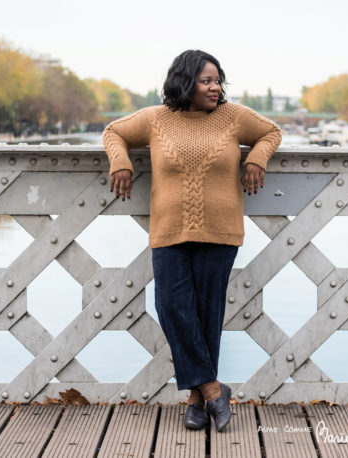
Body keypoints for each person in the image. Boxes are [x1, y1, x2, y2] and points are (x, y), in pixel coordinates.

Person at [102, 49, 282, 432]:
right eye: (206, 81)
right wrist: (120, 161)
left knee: (206, 315)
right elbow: (113, 131)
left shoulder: (234, 117)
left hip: (220, 231)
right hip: (169, 230)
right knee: (170, 306)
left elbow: (271, 132)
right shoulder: (155, 119)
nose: (215, 88)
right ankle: (215, 389)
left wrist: (257, 159)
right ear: (186, 82)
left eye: (218, 81)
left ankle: (197, 401)